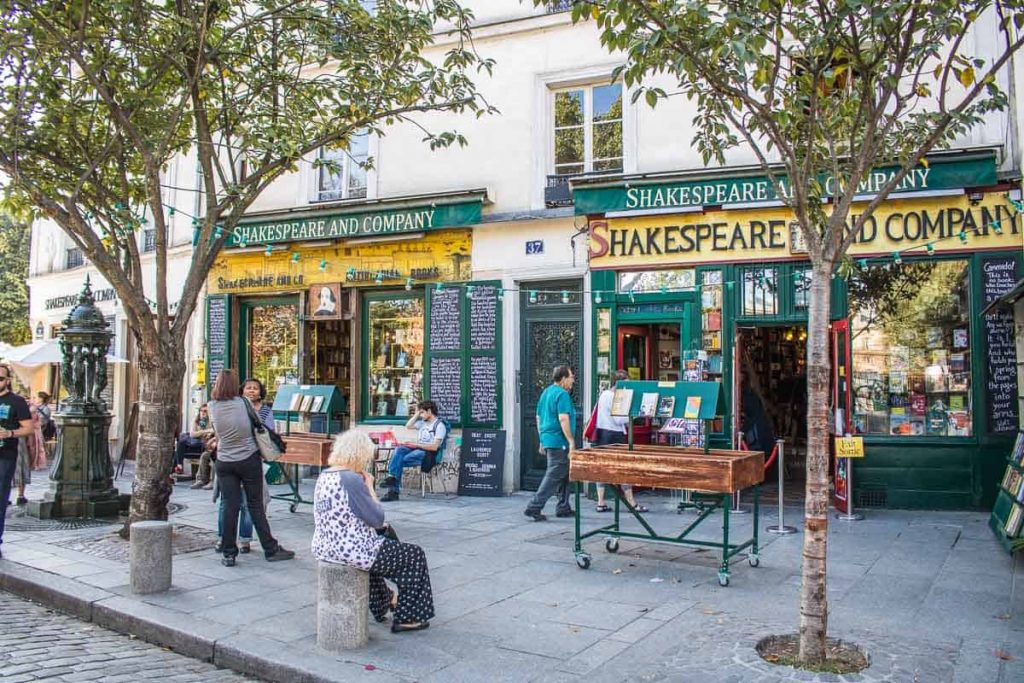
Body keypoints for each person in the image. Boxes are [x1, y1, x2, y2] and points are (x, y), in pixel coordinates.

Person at [313, 431, 434, 633]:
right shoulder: (350, 479)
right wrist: (369, 487)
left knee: (384, 547)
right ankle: (408, 617)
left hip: (326, 546)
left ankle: (385, 602)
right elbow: (377, 519)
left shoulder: (325, 475)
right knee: (414, 555)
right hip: (351, 549)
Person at [207, 369, 293, 567]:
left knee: (230, 505)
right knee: (255, 505)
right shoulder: (243, 403)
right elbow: (256, 425)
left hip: (225, 460)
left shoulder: (212, 406)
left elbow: (218, 434)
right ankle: (270, 548)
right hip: (248, 458)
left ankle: (229, 552)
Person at [524, 365, 576, 522]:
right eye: (571, 377)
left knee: (564, 473)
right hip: (559, 440)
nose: (573, 380)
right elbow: (563, 418)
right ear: (563, 379)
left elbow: (538, 417)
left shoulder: (546, 392)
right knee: (554, 474)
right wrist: (571, 441)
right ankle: (534, 506)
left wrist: (541, 440)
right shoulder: (562, 394)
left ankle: (563, 506)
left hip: (548, 439)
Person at [594, 370, 648, 513]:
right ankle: (631, 502)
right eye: (627, 384)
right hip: (615, 435)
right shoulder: (615, 397)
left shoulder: (603, 395)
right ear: (620, 383)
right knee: (624, 468)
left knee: (602, 469)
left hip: (602, 434)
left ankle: (600, 502)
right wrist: (635, 415)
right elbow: (618, 420)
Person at [380, 400, 446, 502]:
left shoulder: (439, 426)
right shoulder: (422, 423)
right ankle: (392, 478)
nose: (421, 415)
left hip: (428, 453)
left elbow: (434, 447)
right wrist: (417, 414)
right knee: (399, 450)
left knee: (398, 461)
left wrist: (415, 445)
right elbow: (408, 425)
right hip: (418, 448)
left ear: (429, 411)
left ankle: (393, 491)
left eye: (422, 412)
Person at [0, 364, 34, 558]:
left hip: (5, 456)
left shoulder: (16, 402)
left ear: (8, 380)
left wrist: (10, 433)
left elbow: (29, 428)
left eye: (0, 378)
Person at [174, 404, 214, 474]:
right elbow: (192, 434)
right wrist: (206, 431)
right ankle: (179, 466)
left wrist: (201, 433)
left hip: (202, 445)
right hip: (194, 443)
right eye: (201, 411)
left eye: (205, 411)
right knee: (181, 441)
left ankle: (177, 467)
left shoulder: (211, 422)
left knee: (179, 448)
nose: (203, 412)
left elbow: (211, 433)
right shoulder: (196, 420)